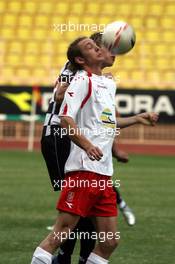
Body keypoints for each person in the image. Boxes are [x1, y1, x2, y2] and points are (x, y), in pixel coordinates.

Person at [31, 37, 158, 264]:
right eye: (91, 46)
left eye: (96, 44)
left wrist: (138, 118)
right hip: (83, 171)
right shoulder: (81, 81)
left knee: (109, 241)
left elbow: (108, 123)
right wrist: (88, 145)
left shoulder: (108, 83)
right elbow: (65, 120)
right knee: (60, 234)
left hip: (103, 174)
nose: (98, 48)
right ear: (80, 59)